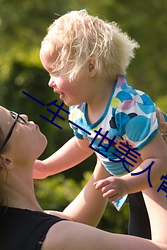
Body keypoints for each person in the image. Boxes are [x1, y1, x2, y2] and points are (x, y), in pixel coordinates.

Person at [0, 98, 167, 250]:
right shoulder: (55, 238)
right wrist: (148, 162)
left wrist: (108, 141)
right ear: (5, 160)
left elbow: (73, 221)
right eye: (14, 120)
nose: (23, 116)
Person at [36, 9, 167, 240]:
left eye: (55, 72)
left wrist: (127, 184)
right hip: (132, 182)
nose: (50, 83)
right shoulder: (79, 110)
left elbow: (160, 160)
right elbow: (82, 145)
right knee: (139, 236)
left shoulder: (127, 108)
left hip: (156, 180)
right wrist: (46, 167)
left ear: (90, 67)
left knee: (157, 242)